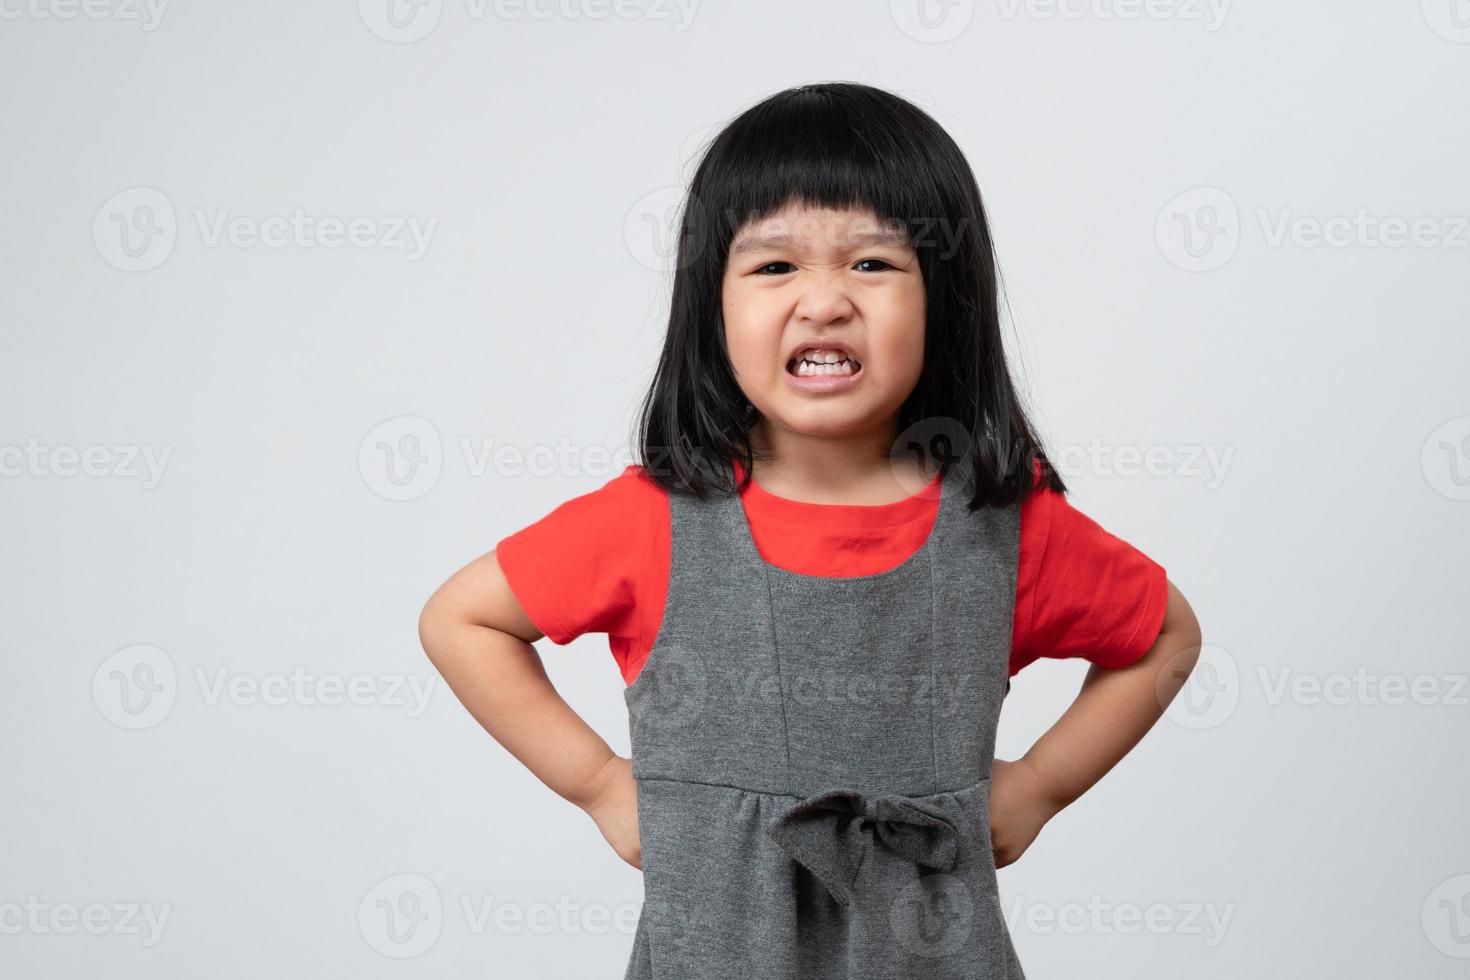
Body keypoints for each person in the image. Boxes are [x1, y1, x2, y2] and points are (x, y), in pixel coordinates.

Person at [419, 81, 1203, 979]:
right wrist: (600, 784)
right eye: (773, 266)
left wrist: (1039, 787)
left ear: (942, 296)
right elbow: (461, 619)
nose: (825, 301)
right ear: (712, 306)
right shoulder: (657, 520)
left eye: (873, 264)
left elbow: (1165, 637)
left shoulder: (999, 528)